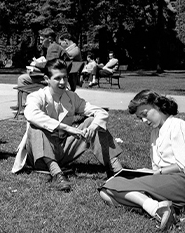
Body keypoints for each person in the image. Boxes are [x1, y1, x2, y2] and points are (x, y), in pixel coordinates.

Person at [99, 90, 185, 231]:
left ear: (157, 106)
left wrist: (157, 173)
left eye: (144, 114)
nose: (143, 120)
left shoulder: (177, 126)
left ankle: (156, 208)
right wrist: (147, 173)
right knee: (105, 191)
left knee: (113, 185)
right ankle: (159, 209)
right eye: (139, 118)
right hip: (165, 180)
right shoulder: (155, 132)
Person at [12, 59, 123, 192]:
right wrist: (67, 128)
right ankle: (57, 175)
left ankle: (117, 170)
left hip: (63, 149)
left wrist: (93, 127)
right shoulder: (37, 96)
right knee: (35, 126)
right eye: (57, 78)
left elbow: (100, 112)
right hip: (38, 153)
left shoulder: (71, 96)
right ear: (47, 79)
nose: (63, 82)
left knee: (93, 122)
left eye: (65, 77)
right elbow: (30, 114)